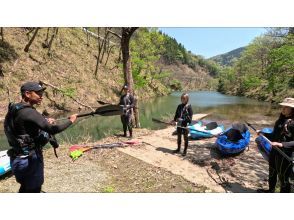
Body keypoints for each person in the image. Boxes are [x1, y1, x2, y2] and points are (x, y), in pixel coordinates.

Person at [4, 81, 78, 193]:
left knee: (25, 187)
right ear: (27, 94)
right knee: (34, 189)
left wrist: (44, 121)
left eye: (42, 94)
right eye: (38, 93)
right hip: (29, 160)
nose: (41, 97)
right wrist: (70, 121)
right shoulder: (28, 112)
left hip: (17, 159)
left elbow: (23, 128)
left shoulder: (15, 109)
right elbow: (53, 129)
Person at [257, 97, 294, 193]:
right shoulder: (280, 121)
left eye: (287, 107)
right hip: (274, 151)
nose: (283, 109)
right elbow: (274, 136)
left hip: (285, 155)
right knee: (272, 172)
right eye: (283, 106)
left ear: (292, 109)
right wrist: (263, 133)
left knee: (283, 179)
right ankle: (270, 190)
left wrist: (282, 144)